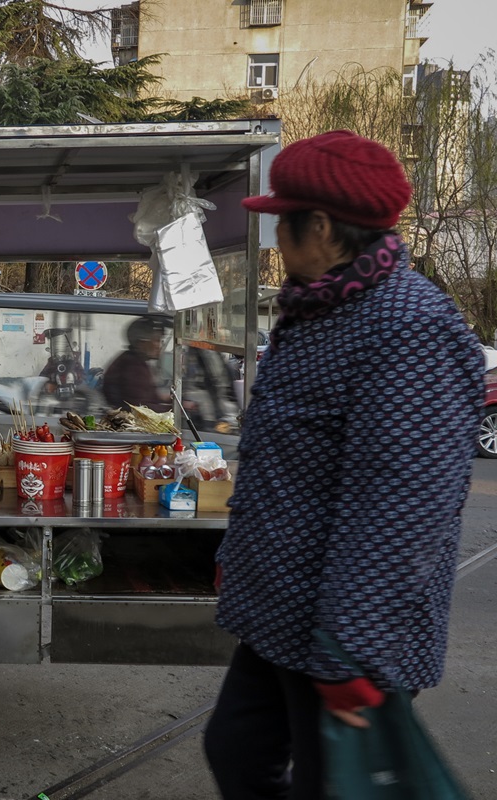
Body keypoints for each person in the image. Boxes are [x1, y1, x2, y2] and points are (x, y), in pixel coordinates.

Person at [203, 130, 487, 799]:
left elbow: (402, 507)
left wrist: (350, 651)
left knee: (336, 786)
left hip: (344, 635)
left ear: (323, 226)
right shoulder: (322, 308)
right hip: (282, 616)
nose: (275, 240)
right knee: (237, 752)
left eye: (281, 223)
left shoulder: (408, 327)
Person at [101, 316, 171, 412]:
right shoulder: (133, 367)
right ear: (142, 343)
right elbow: (140, 408)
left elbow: (146, 396)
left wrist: (168, 398)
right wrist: (173, 409)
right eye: (157, 340)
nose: (160, 345)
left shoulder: (136, 361)